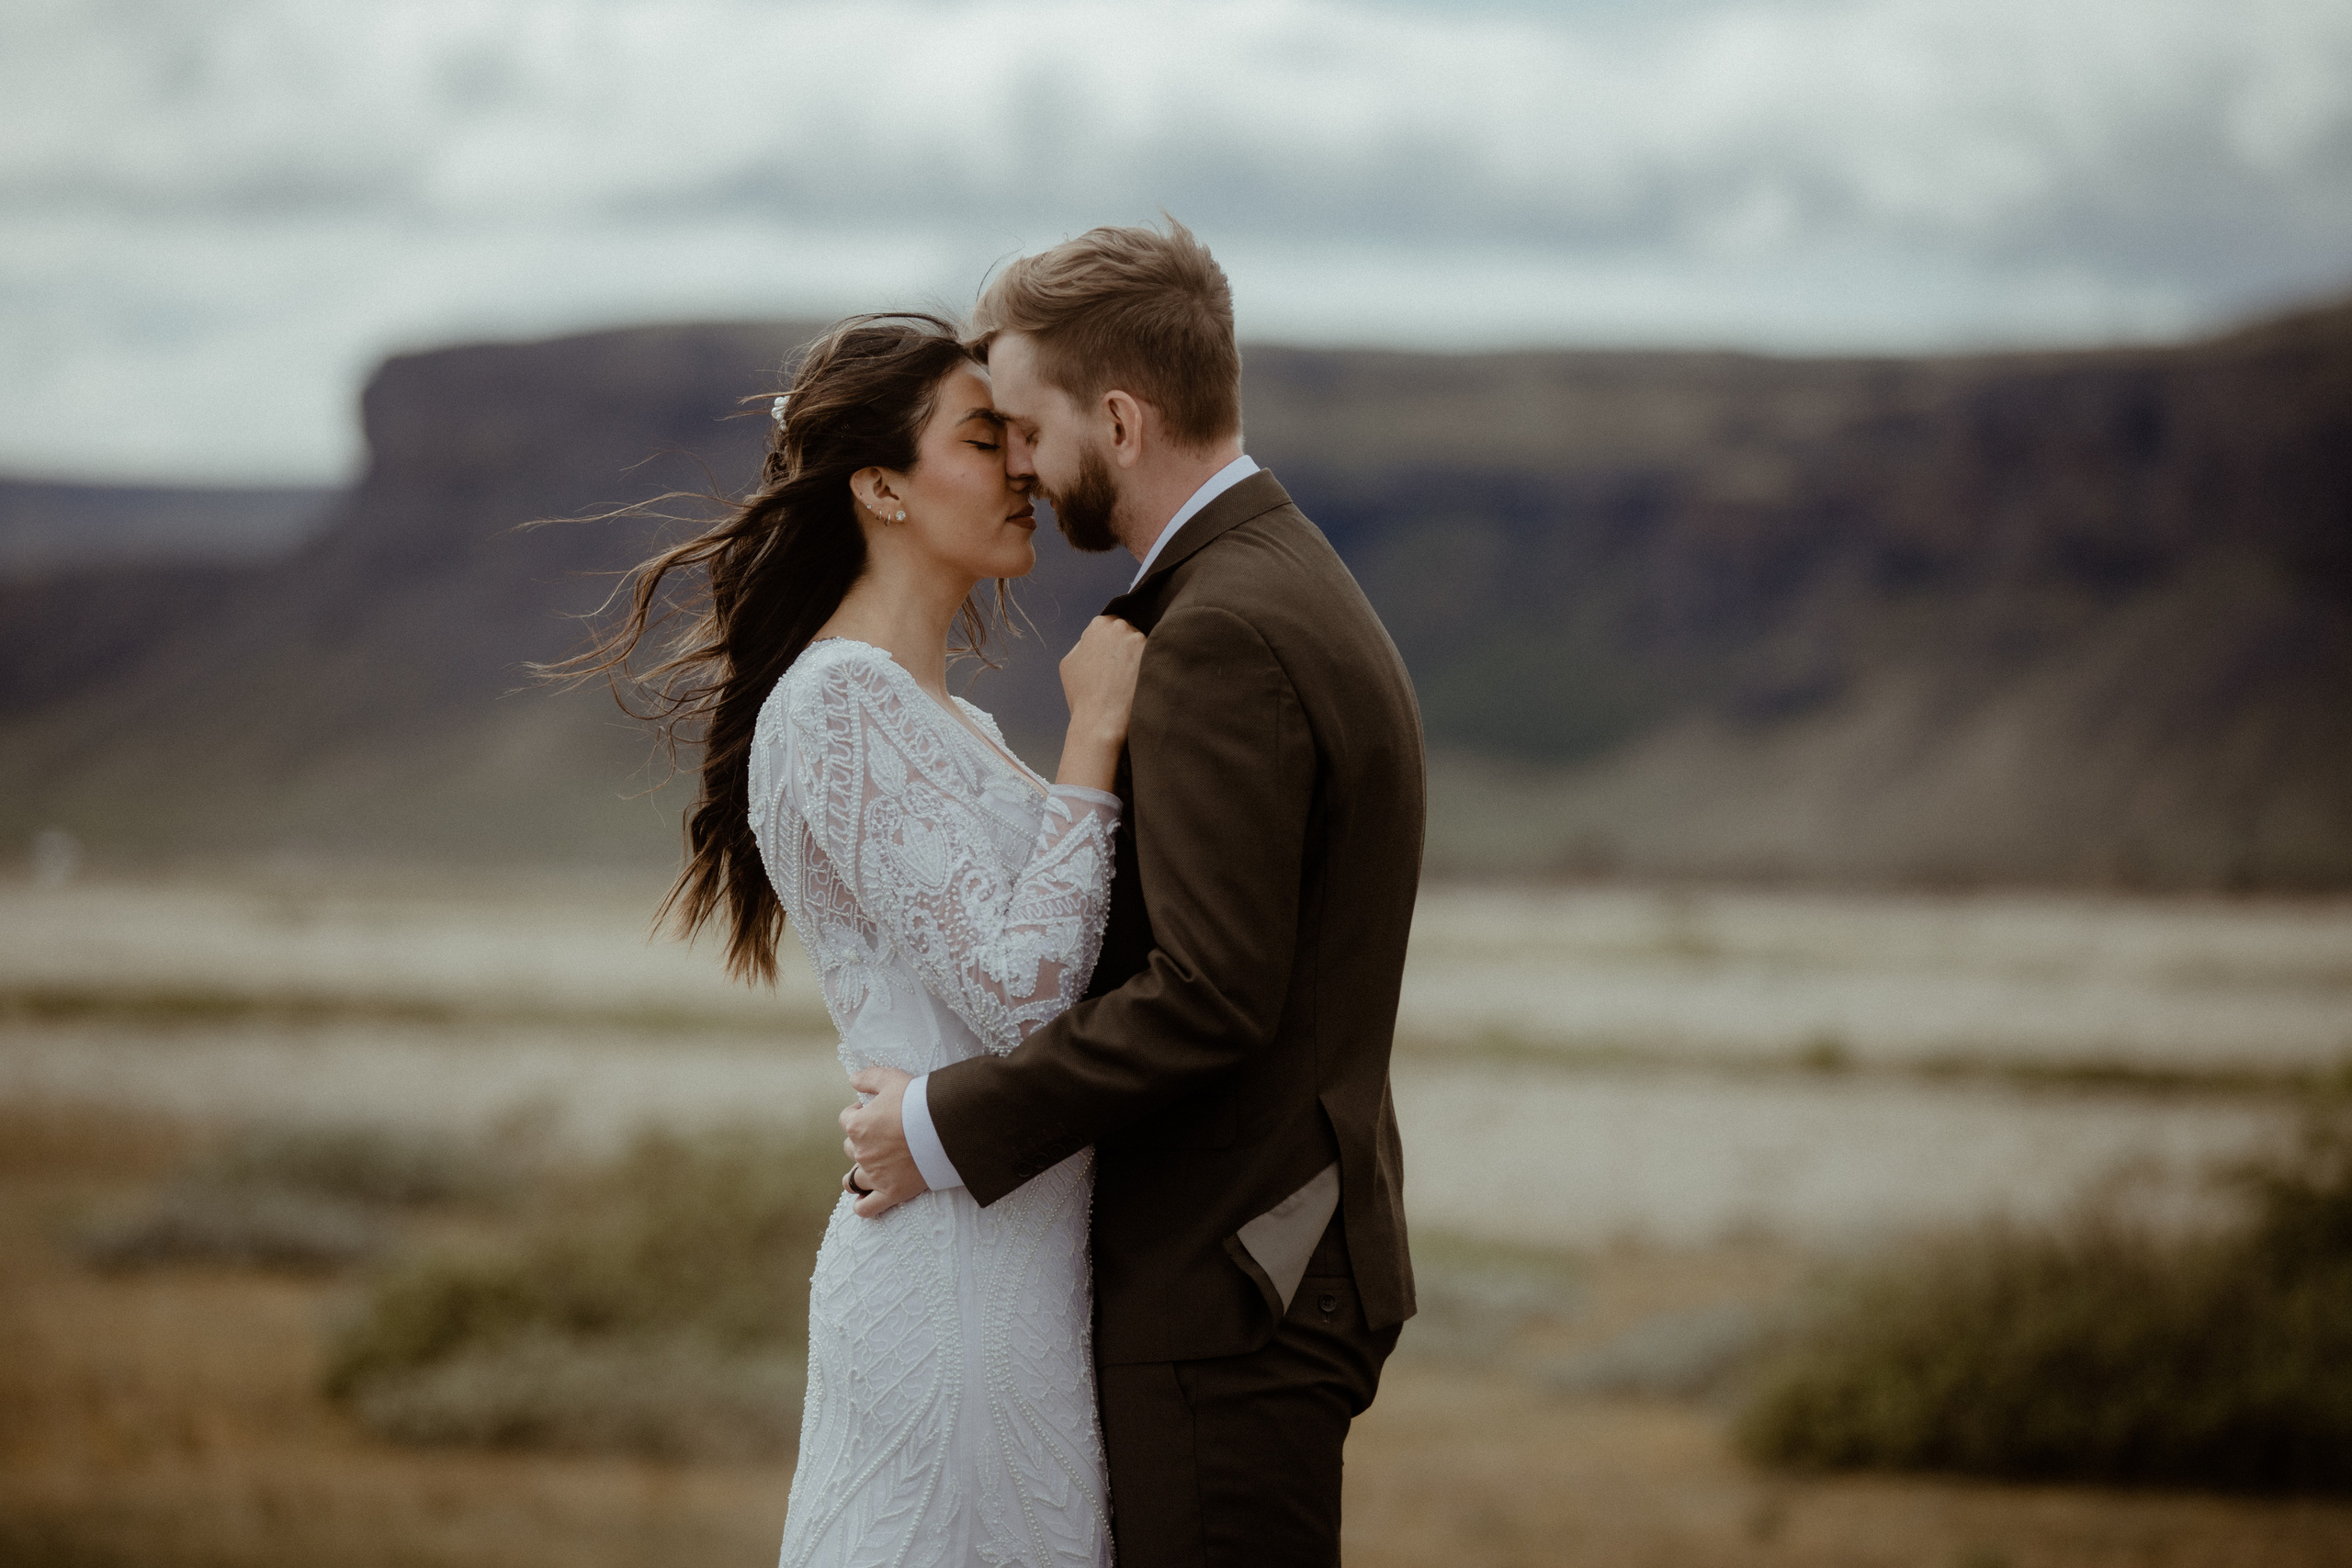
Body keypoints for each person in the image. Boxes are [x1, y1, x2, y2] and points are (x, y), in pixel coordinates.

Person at [842, 220, 1428, 1566]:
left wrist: (940, 1124)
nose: (1020, 466)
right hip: (1268, 1267)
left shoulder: (1222, 629)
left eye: (1028, 429)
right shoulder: (1277, 578)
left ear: (1118, 418)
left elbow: (1211, 994)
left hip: (1235, 1285)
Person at [568, 311, 1145, 1567]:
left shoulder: (956, 723)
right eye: (983, 440)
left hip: (1021, 1271)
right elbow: (1019, 996)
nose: (1025, 469)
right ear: (882, 487)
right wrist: (1095, 740)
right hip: (952, 1285)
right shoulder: (839, 704)